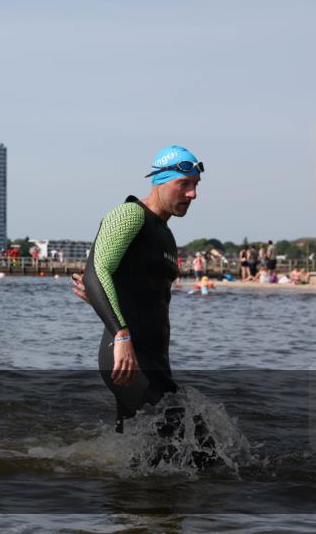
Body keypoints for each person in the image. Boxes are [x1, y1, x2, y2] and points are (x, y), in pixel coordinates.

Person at [71, 145, 204, 436]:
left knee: (140, 456)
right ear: (158, 180)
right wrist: (121, 333)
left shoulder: (166, 234)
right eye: (183, 184)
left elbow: (138, 291)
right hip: (126, 357)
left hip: (155, 361)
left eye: (195, 185)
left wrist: (99, 299)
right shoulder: (130, 215)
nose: (192, 194)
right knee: (194, 443)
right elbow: (97, 271)